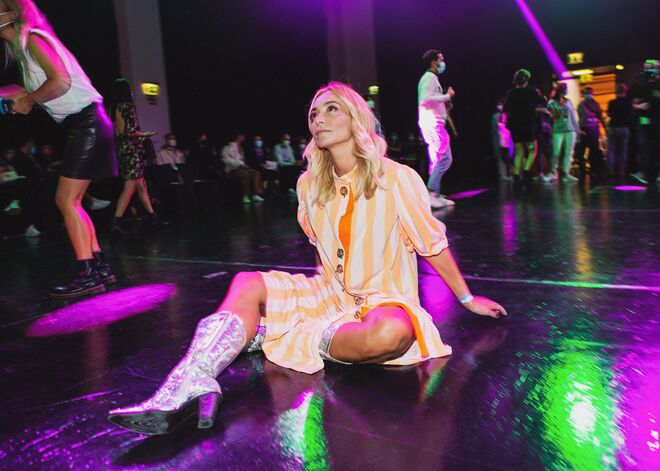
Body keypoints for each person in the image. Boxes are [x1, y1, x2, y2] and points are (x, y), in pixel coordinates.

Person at [108, 82, 507, 435]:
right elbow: (322, 250)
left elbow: (431, 243)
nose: (319, 119)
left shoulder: (397, 177)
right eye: (314, 114)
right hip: (328, 293)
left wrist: (466, 298)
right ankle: (190, 381)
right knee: (248, 282)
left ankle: (273, 333)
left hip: (382, 299)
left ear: (356, 119)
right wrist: (316, 292)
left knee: (390, 335)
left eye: (331, 109)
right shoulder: (309, 185)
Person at [0, 0, 118, 298]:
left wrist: (29, 101)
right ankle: (99, 267)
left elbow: (60, 82)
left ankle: (87, 274)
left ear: (11, 13)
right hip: (85, 123)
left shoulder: (34, 39)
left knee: (65, 200)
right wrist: (18, 96)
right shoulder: (24, 51)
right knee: (72, 201)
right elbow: (26, 90)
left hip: (88, 122)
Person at [107, 78, 161, 236]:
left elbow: (117, 132)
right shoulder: (127, 106)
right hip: (131, 150)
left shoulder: (111, 109)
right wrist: (145, 134)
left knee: (141, 185)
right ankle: (116, 222)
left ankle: (153, 218)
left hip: (121, 149)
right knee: (130, 186)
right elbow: (130, 131)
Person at [417, 49, 456, 208]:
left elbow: (431, 100)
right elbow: (425, 99)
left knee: (436, 160)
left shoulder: (431, 78)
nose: (443, 63)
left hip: (432, 121)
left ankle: (435, 195)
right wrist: (446, 96)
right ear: (434, 62)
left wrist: (445, 105)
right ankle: (431, 192)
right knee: (445, 158)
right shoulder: (429, 77)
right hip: (433, 123)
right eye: (441, 59)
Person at [503, 69, 545, 189]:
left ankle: (516, 175)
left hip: (514, 125)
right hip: (528, 124)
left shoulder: (510, 93)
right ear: (526, 80)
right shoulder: (531, 92)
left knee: (519, 152)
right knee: (532, 150)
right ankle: (526, 172)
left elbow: (505, 108)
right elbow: (542, 101)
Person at [545, 83, 579, 182]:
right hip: (558, 130)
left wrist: (577, 129)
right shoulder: (552, 102)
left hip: (570, 130)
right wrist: (558, 111)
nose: (566, 90)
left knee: (568, 153)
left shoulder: (568, 101)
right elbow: (552, 117)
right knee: (556, 152)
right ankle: (552, 173)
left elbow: (572, 116)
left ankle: (566, 174)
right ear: (560, 90)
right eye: (565, 88)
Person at [574, 87, 608, 180]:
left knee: (592, 150)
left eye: (590, 93)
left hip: (591, 129)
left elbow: (598, 117)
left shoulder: (586, 105)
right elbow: (598, 117)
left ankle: (591, 169)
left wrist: (604, 129)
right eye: (587, 93)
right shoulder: (586, 105)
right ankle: (584, 168)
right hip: (587, 129)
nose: (589, 95)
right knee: (585, 149)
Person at [222, 133, 264, 204]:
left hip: (241, 168)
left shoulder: (241, 149)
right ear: (238, 137)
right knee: (245, 174)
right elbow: (226, 160)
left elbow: (242, 161)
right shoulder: (228, 147)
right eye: (242, 136)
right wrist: (239, 163)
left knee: (256, 173)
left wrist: (244, 166)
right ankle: (245, 195)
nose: (244, 138)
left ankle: (255, 194)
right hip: (232, 170)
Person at [607, 83, 633, 179]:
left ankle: (611, 170)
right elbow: (631, 115)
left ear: (617, 91)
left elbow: (609, 114)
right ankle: (621, 171)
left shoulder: (612, 102)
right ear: (625, 91)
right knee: (623, 150)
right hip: (624, 128)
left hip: (613, 127)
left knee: (611, 150)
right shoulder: (628, 102)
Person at [491, 98, 513, 180]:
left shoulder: (508, 115)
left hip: (507, 139)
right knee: (500, 156)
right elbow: (495, 129)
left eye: (502, 104)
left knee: (509, 156)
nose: (500, 106)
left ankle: (510, 173)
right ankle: (503, 174)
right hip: (499, 139)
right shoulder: (495, 116)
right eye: (499, 104)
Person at [273, 133, 299, 198]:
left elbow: (293, 160)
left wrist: (295, 163)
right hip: (279, 166)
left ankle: (298, 187)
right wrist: (292, 163)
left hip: (289, 165)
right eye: (285, 139)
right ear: (281, 139)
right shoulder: (277, 147)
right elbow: (280, 162)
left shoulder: (289, 148)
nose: (287, 141)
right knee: (290, 168)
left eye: (288, 139)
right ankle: (289, 188)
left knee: (298, 168)